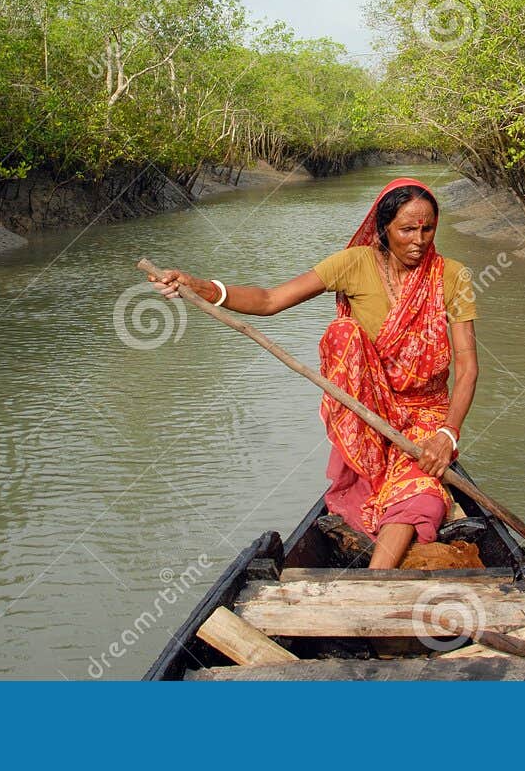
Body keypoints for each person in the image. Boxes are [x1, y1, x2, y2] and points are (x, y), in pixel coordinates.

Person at [149, 177, 478, 568]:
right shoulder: (354, 263)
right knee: (343, 333)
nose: (419, 240)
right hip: (368, 414)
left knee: (419, 493)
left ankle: (374, 580)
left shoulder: (452, 276)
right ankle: (372, 485)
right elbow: (271, 300)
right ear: (383, 228)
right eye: (407, 229)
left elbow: (468, 366)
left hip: (425, 413)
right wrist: (203, 287)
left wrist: (446, 435)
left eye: (428, 229)